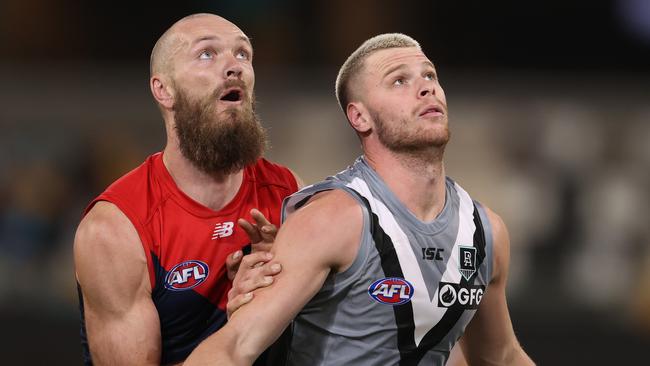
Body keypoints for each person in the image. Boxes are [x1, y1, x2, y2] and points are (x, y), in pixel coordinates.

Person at [185, 33, 535, 365]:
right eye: (399, 81)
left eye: (429, 75)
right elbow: (234, 346)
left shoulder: (484, 230)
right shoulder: (333, 219)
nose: (426, 87)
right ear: (359, 116)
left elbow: (498, 357)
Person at [73, 13, 300, 365]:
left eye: (243, 54)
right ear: (164, 90)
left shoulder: (288, 192)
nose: (234, 66)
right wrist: (243, 324)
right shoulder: (116, 228)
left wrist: (290, 273)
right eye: (207, 54)